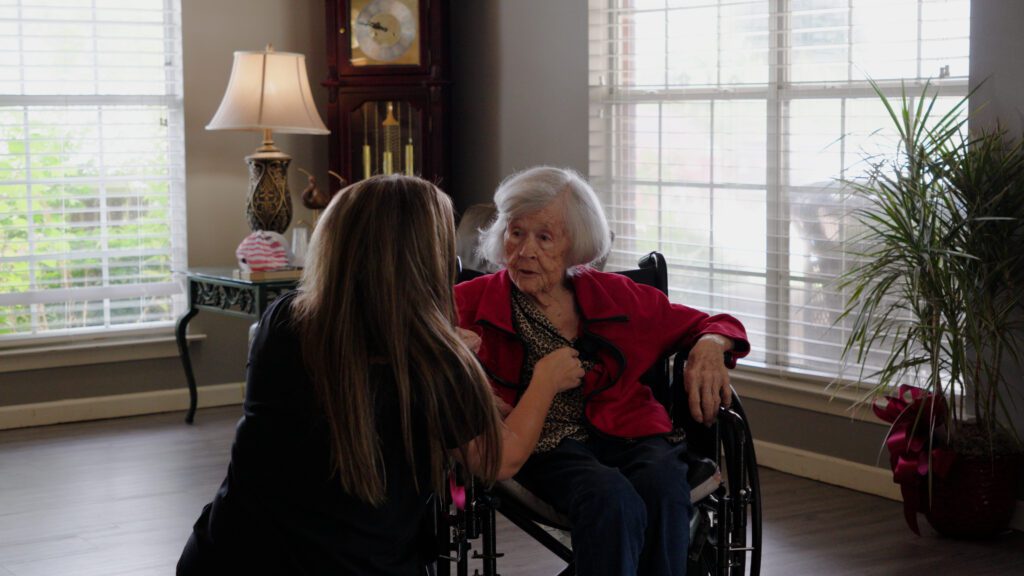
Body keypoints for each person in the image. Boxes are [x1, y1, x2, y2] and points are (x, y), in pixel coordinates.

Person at [177, 175, 581, 575]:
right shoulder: (436, 366)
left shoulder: (282, 319)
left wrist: (443, 349)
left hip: (226, 555)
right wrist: (546, 379)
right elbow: (501, 461)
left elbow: (368, 355)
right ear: (427, 265)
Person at [455, 166, 750, 576]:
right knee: (610, 498)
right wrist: (451, 345)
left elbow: (715, 322)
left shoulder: (617, 297)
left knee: (664, 489)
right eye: (515, 232)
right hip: (542, 445)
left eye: (544, 237)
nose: (524, 251)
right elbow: (408, 338)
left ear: (575, 245)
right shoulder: (469, 303)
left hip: (630, 432)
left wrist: (710, 346)